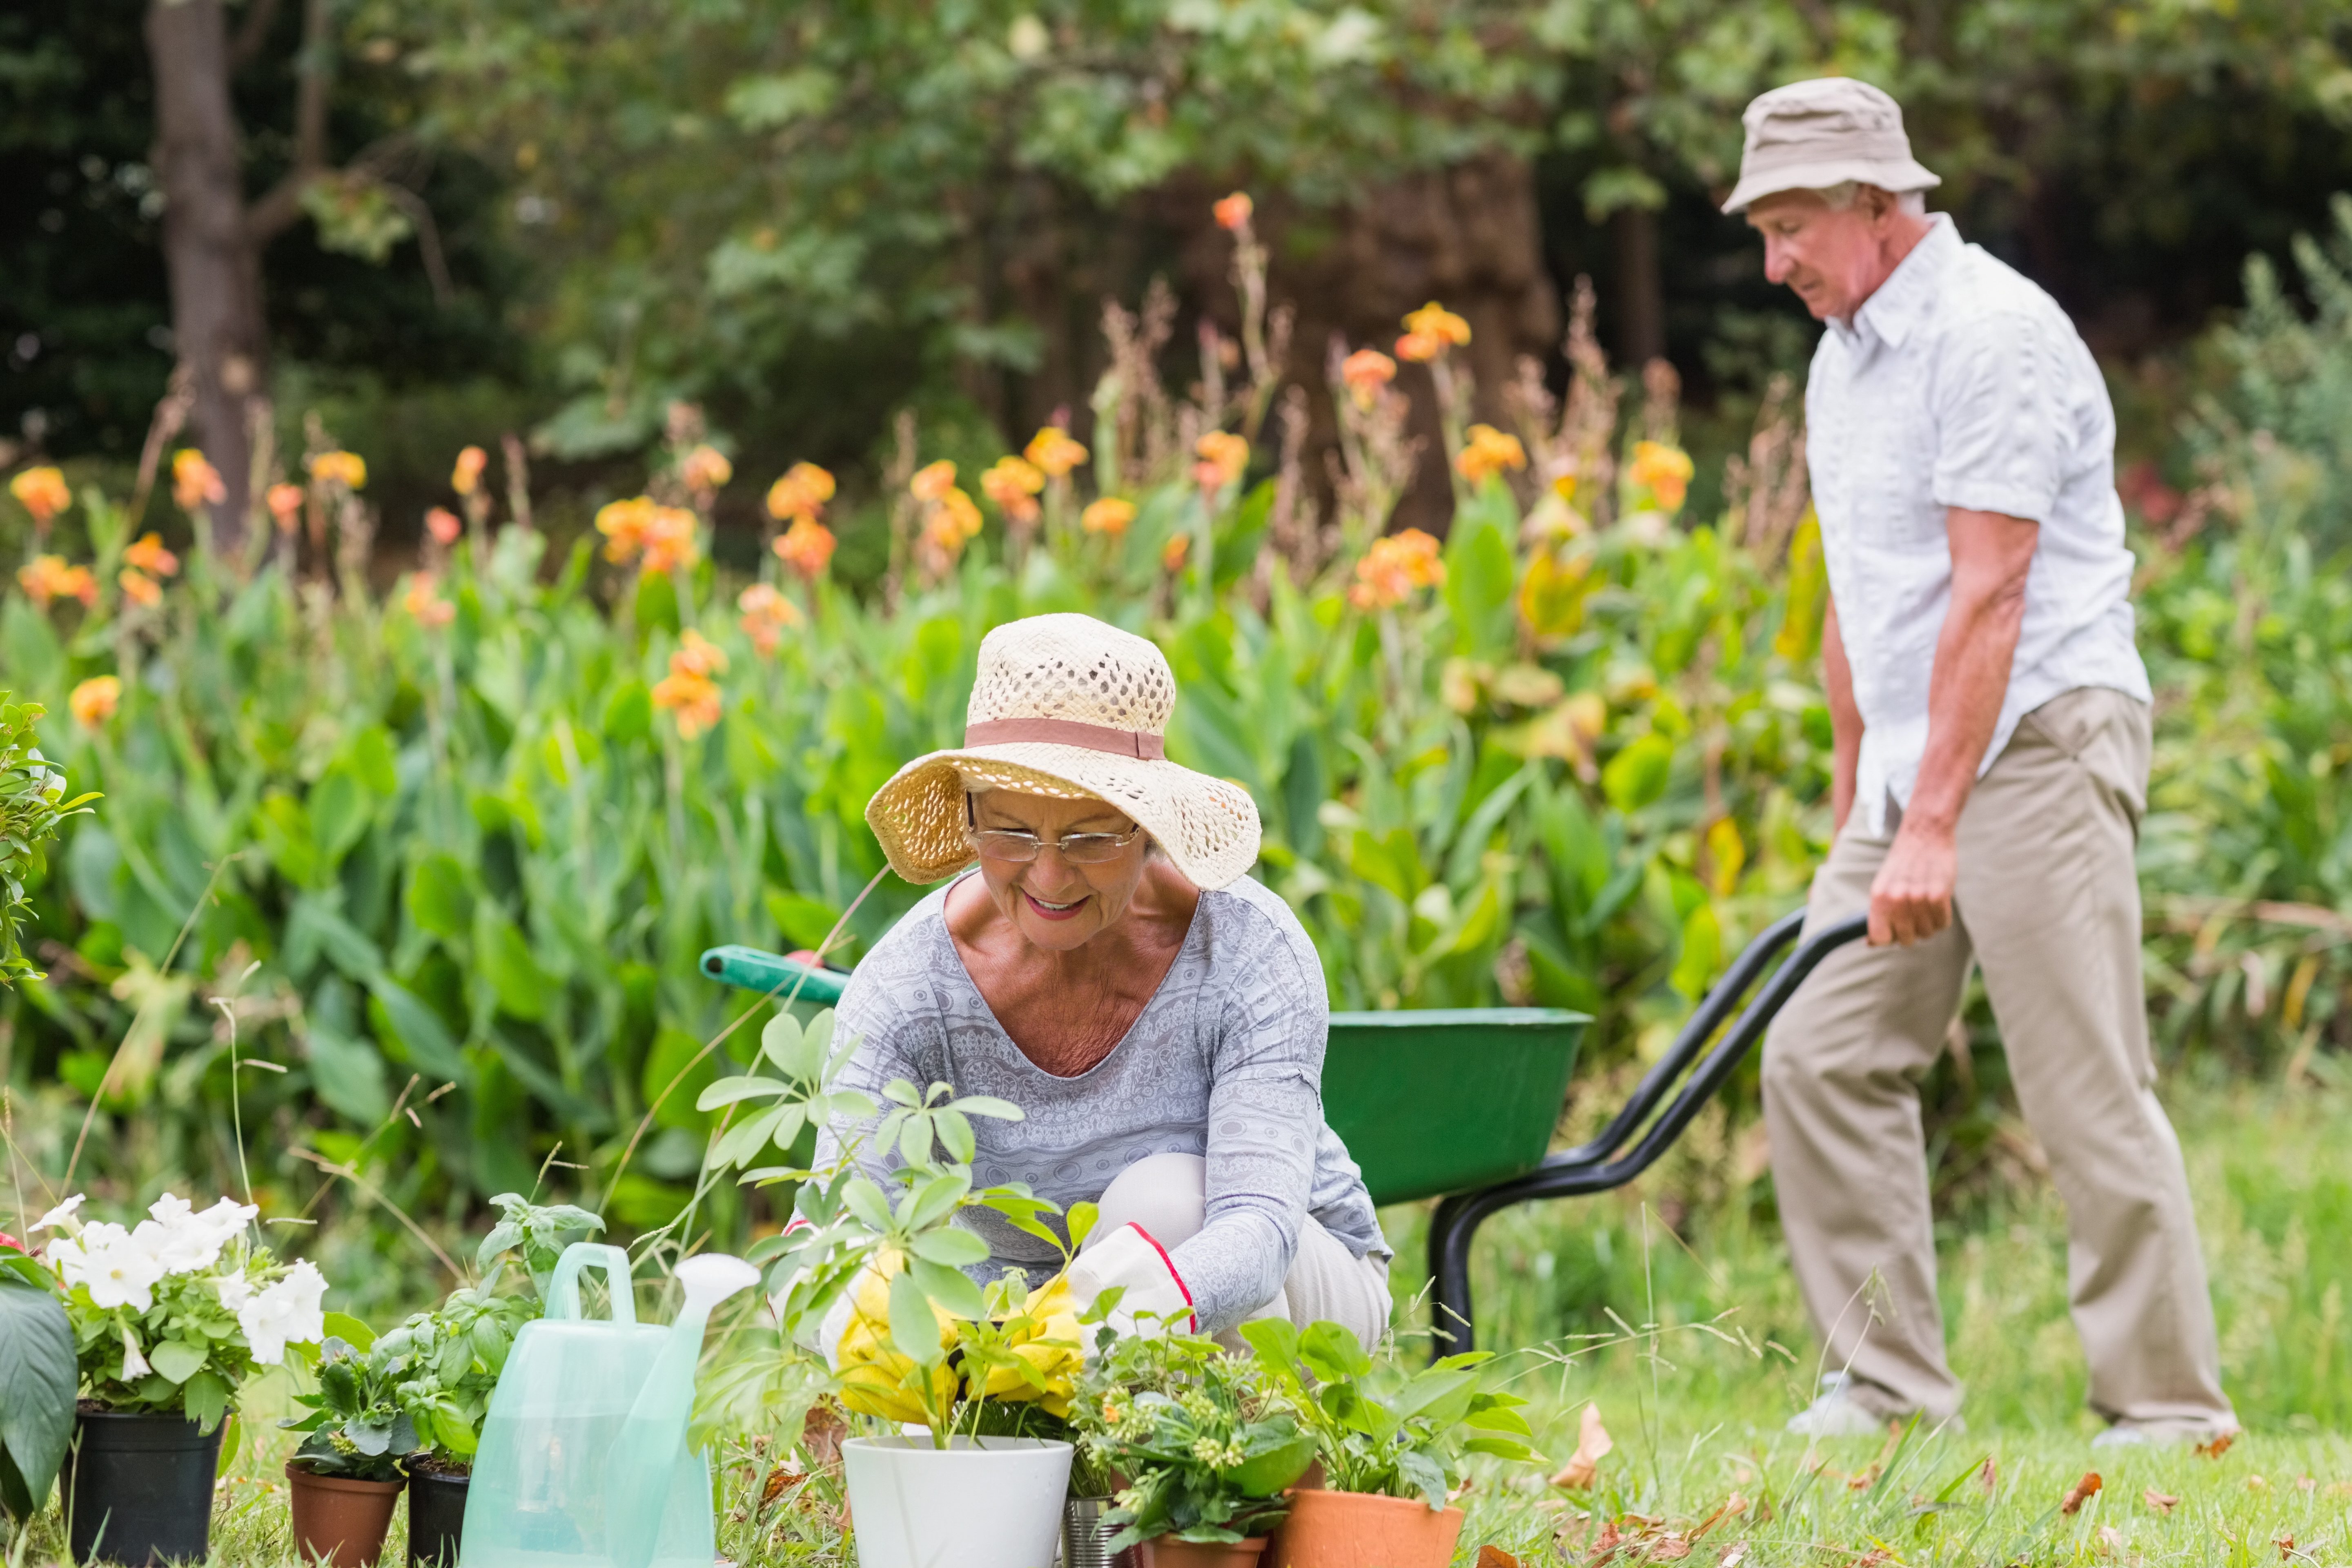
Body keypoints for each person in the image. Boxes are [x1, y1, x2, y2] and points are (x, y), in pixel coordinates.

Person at [1725, 78, 2236, 1443]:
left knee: (2081, 1081)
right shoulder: (1847, 353)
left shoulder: (1993, 334)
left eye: (1791, 227)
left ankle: (2166, 1411)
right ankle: (1889, 1390)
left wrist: (1935, 823)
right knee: (1823, 1057)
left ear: (1877, 204)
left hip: (2041, 742)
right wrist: (1860, 801)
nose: (1773, 264)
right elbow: (1860, 597)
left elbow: (1990, 595)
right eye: (1762, 231)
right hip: (1917, 764)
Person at [817, 611, 1393, 1350]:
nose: (1050, 876)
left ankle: (1180, 1466)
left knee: (1160, 1208)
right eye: (1011, 832)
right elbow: (842, 1224)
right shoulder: (907, 988)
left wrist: (1079, 1331)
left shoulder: (1246, 948)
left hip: (1296, 1292)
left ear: (1149, 827)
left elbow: (1257, 1233)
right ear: (968, 819)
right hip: (1023, 1325)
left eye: (1091, 836)